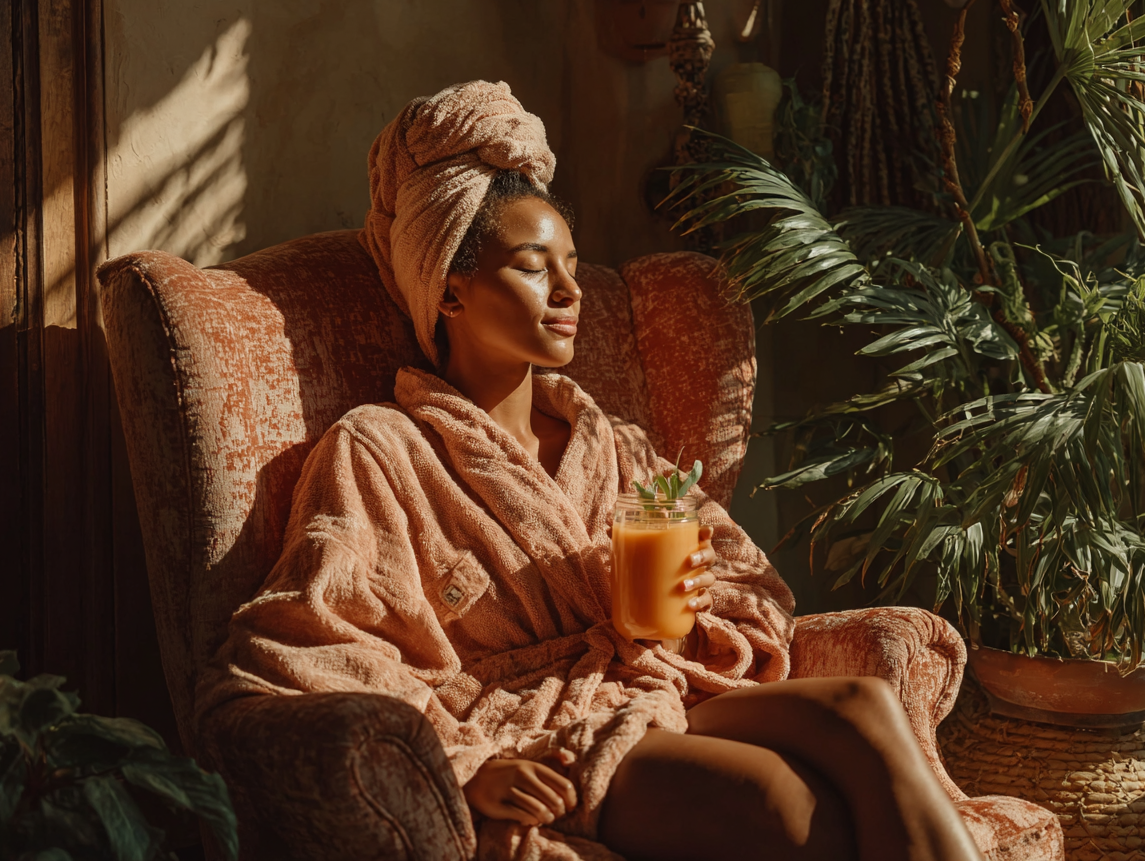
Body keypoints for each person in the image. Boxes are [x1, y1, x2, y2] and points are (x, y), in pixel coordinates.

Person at [198, 81, 981, 861]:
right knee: (795, 809)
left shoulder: (612, 445)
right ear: (453, 290)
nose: (573, 291)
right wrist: (464, 763)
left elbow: (755, 592)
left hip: (647, 683)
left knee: (864, 707)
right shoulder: (381, 450)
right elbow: (300, 639)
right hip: (530, 719)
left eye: (572, 264)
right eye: (537, 268)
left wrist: (699, 606)